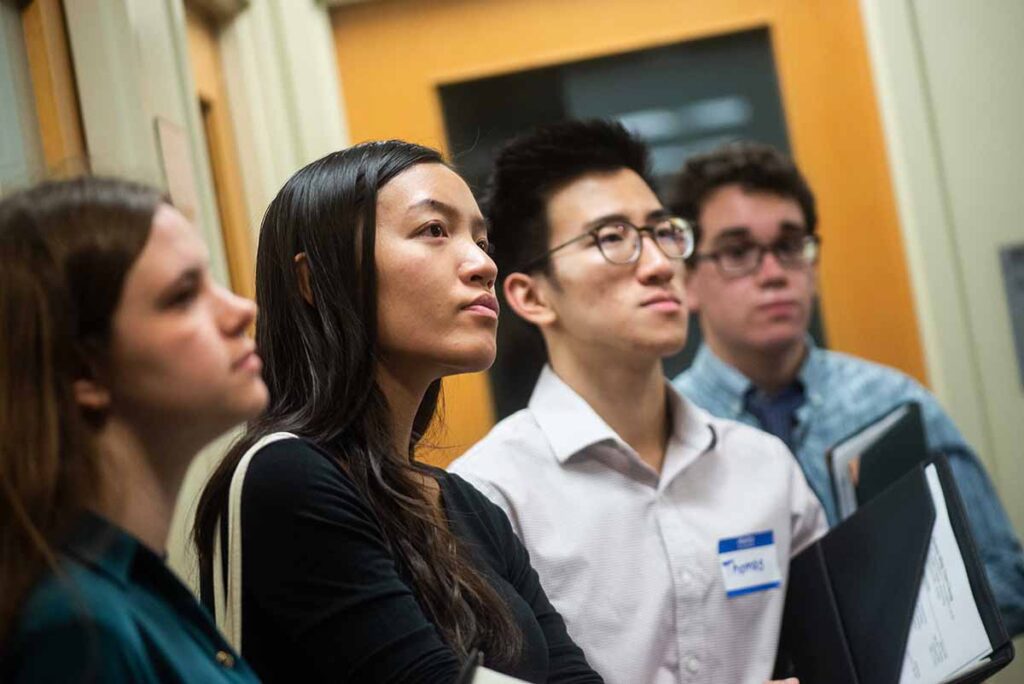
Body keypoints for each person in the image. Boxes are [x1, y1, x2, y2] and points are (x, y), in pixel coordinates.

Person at [192, 141, 602, 683]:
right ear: (315, 281)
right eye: (434, 230)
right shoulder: (287, 475)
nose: (483, 264)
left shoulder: (468, 505)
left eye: (482, 240)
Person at [448, 119, 824, 684]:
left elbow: (838, 650)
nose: (658, 265)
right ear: (532, 295)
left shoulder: (762, 465)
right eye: (611, 238)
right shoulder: (492, 496)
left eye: (662, 232)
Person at [671, 141, 1024, 635]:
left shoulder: (894, 404)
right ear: (685, 281)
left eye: (790, 247)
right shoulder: (665, 429)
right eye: (737, 252)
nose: (773, 274)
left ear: (812, 265)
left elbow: (1005, 577)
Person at [0, 177, 267, 682]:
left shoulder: (138, 584)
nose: (240, 310)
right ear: (84, 371)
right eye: (183, 296)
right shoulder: (76, 630)